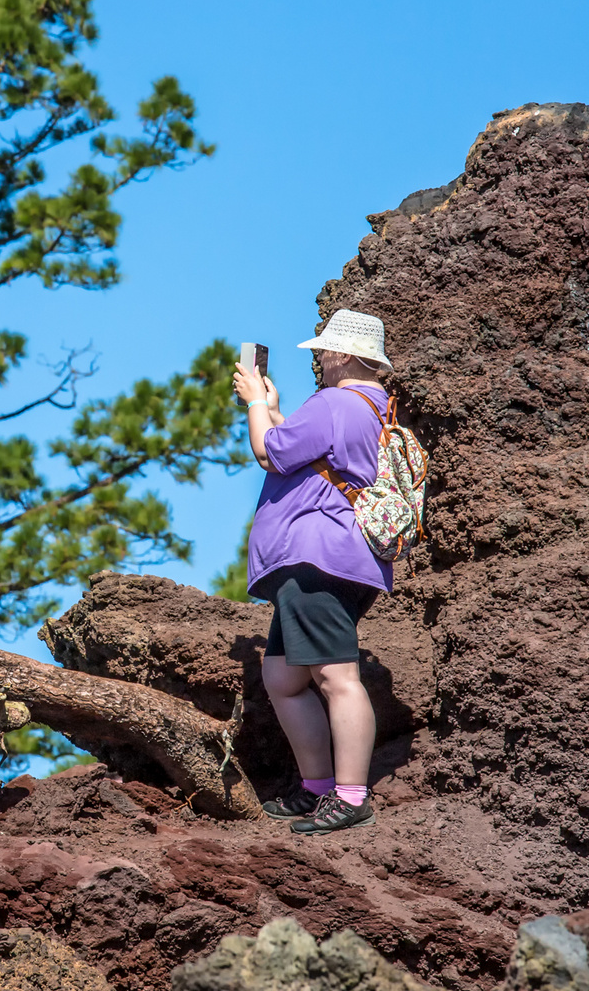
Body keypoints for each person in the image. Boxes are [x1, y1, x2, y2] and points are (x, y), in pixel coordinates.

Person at [231, 309, 394, 835]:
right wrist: (277, 411)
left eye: (323, 351)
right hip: (335, 559)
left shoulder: (335, 401)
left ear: (344, 354)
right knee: (283, 676)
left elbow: (270, 453)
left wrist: (256, 402)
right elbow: (306, 455)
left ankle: (349, 796)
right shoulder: (372, 407)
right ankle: (318, 788)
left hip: (317, 556)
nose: (320, 359)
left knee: (335, 676)